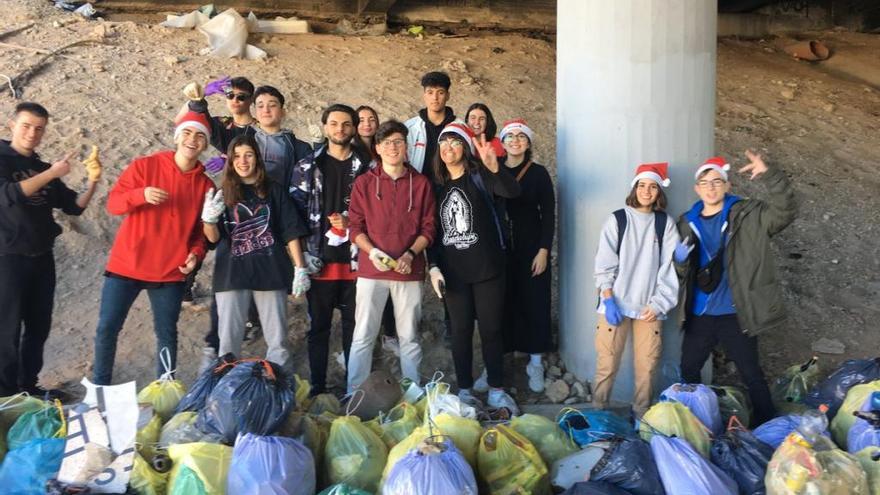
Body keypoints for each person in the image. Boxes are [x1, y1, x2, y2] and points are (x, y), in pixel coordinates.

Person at [92, 112, 214, 384]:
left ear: (205, 145)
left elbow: (199, 234)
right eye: (187, 133)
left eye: (200, 136)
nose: (192, 140)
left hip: (169, 272)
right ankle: (100, 386)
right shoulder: (145, 166)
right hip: (127, 265)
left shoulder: (206, 186)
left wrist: (196, 254)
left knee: (167, 333)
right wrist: (140, 195)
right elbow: (114, 205)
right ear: (176, 136)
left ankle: (165, 388)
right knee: (107, 329)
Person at [676, 152, 796, 426]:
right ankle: (695, 425)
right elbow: (681, 273)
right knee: (688, 369)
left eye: (717, 181)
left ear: (728, 185)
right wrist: (679, 261)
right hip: (699, 312)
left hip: (735, 310)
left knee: (751, 372)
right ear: (697, 188)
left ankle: (769, 429)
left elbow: (784, 211)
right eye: (704, 182)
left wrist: (769, 174)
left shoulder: (748, 214)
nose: (711, 187)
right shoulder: (686, 221)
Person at [0, 102, 100, 397]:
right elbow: (9, 194)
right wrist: (53, 172)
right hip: (7, 258)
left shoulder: (42, 167)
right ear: (12, 125)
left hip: (41, 257)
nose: (32, 133)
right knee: (6, 330)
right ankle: (5, 396)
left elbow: (74, 207)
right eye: (26, 126)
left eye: (39, 128)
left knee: (38, 326)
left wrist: (93, 180)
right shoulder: (2, 159)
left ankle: (28, 386)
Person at [426, 121, 521, 414]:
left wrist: (494, 167)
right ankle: (465, 389)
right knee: (460, 331)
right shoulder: (436, 187)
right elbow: (431, 231)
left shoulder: (481, 177)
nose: (448, 149)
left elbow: (512, 191)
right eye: (443, 143)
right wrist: (433, 267)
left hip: (488, 268)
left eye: (455, 143)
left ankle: (496, 389)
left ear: (466, 148)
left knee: (492, 330)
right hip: (453, 273)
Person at [201, 135, 309, 369]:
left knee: (278, 343)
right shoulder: (223, 193)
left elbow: (291, 231)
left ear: (257, 158)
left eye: (248, 154)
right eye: (237, 156)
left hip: (270, 272)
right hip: (231, 275)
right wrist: (208, 220)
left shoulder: (275, 191)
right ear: (230, 161)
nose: (243, 161)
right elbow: (213, 239)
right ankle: (225, 395)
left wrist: (300, 267)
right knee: (228, 345)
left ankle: (280, 391)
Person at [346, 120, 436, 393]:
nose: (393, 147)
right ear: (377, 148)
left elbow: (429, 227)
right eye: (387, 143)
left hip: (409, 270)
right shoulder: (364, 183)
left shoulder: (420, 184)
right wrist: (372, 251)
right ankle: (354, 393)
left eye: (398, 142)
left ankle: (413, 393)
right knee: (363, 335)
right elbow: (355, 226)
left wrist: (411, 254)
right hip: (371, 271)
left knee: (409, 337)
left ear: (406, 147)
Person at [289, 104, 370, 395]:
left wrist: (352, 221)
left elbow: (377, 212)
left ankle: (353, 388)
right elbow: (293, 217)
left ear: (354, 128)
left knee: (354, 330)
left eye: (346, 124)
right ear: (325, 127)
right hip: (318, 262)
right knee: (318, 329)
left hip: (355, 264)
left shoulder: (367, 168)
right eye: (334, 124)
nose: (340, 130)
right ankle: (317, 387)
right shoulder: (306, 167)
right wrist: (299, 260)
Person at [592, 163, 680, 418]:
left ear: (659, 193)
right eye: (642, 185)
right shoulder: (618, 219)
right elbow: (604, 263)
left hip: (649, 308)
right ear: (635, 188)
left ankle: (642, 416)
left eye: (653, 186)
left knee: (648, 366)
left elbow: (669, 268)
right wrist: (608, 299)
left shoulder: (665, 224)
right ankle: (599, 413)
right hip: (615, 304)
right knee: (606, 364)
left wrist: (659, 303)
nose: (646, 190)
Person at [497, 119, 555, 393]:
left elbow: (549, 215)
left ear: (529, 143)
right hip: (500, 248)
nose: (515, 141)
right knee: (502, 303)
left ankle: (535, 360)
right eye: (510, 137)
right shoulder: (492, 169)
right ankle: (497, 362)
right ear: (502, 141)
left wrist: (544, 250)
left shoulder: (539, 173)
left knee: (535, 301)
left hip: (532, 247)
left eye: (521, 137)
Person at [355, 104, 399, 354]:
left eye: (372, 119)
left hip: (385, 227)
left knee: (390, 283)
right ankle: (362, 344)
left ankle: (390, 334)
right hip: (359, 226)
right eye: (361, 119)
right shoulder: (351, 151)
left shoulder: (384, 148)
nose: (367, 124)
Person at [252, 85, 313, 188]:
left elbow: (314, 177)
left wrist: (319, 144)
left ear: (282, 112)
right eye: (260, 106)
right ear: (255, 112)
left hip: (283, 202)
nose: (266, 110)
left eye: (272, 105)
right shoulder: (243, 141)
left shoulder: (300, 149)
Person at [405, 71, 456, 184]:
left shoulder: (459, 128)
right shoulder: (410, 128)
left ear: (448, 95)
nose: (435, 98)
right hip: (418, 189)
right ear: (424, 95)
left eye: (440, 92)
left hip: (449, 189)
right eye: (430, 92)